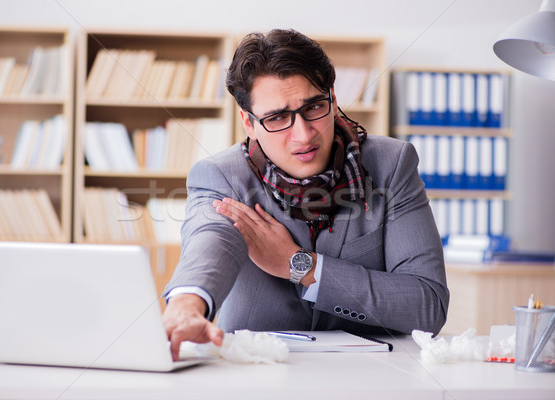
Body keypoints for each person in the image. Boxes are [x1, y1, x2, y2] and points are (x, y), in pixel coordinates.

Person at [162, 29, 449, 360]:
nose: (303, 134)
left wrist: (301, 266)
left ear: (333, 100)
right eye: (278, 117)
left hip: (374, 377)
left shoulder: (391, 164)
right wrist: (186, 305)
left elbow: (428, 305)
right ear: (249, 123)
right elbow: (209, 240)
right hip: (259, 377)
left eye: (313, 107)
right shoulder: (223, 176)